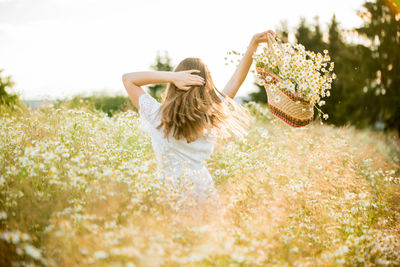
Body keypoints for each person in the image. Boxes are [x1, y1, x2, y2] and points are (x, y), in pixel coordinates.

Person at [122, 30, 275, 214]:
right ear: (207, 84)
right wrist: (253, 44)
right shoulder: (211, 115)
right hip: (205, 194)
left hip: (171, 197)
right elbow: (235, 81)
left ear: (175, 85)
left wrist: (172, 77)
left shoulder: (156, 116)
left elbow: (129, 79)